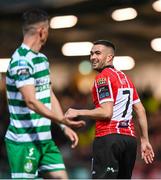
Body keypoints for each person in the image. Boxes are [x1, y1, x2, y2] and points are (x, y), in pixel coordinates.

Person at [5, 9, 85, 179]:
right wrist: (60, 119)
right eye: (48, 29)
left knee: (62, 178)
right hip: (24, 141)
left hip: (45, 140)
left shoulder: (42, 60)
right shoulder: (21, 61)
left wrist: (63, 125)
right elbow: (31, 101)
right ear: (42, 31)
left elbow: (48, 94)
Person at [65, 40, 154, 179]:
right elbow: (140, 110)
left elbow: (106, 113)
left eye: (98, 53)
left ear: (109, 57)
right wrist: (145, 140)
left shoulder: (102, 78)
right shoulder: (126, 79)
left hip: (109, 139)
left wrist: (78, 111)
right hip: (129, 141)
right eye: (91, 53)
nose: (93, 57)